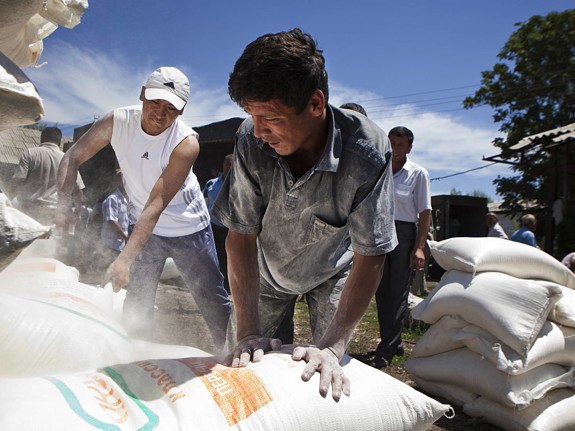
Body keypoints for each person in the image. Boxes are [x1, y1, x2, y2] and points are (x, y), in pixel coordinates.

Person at [213, 28, 397, 401]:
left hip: (332, 272)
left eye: (271, 118)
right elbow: (241, 236)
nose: (260, 130)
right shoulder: (250, 138)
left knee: (327, 379)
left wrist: (332, 346)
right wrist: (247, 331)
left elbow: (371, 253)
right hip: (266, 272)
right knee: (242, 371)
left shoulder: (368, 152)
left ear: (315, 104)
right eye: (252, 116)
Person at [55, 67, 232, 352]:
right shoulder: (116, 121)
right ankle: (130, 355)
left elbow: (156, 204)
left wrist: (124, 259)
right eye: (154, 102)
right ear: (142, 94)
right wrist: (63, 208)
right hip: (145, 227)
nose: (160, 114)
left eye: (170, 108)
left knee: (210, 296)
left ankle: (232, 354)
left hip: (188, 229)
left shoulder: (186, 143)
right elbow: (73, 155)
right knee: (137, 298)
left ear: (182, 111)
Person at [366, 126, 431, 369]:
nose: (394, 149)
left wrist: (419, 247)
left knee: (397, 292)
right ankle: (393, 342)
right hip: (380, 231)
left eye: (400, 145)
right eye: (391, 143)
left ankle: (386, 349)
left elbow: (424, 212)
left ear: (409, 147)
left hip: (404, 234)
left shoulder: (418, 174)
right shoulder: (380, 170)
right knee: (381, 291)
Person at [11, 126, 84, 226]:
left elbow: (17, 181)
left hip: (28, 212)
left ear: (41, 139)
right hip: (54, 214)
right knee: (51, 239)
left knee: (30, 239)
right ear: (60, 142)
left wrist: (9, 203)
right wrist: (77, 213)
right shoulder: (67, 160)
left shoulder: (30, 153)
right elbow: (78, 191)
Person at [203, 154, 233, 292]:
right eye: (227, 164)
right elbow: (203, 203)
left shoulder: (241, 185)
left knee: (230, 260)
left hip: (231, 230)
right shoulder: (211, 184)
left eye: (232, 164)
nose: (229, 167)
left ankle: (228, 288)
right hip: (214, 228)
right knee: (214, 259)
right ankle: (216, 287)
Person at [98, 169, 129, 271]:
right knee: (109, 271)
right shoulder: (113, 199)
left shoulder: (126, 199)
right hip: (111, 245)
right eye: (122, 179)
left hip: (120, 244)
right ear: (117, 181)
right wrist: (126, 237)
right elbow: (111, 221)